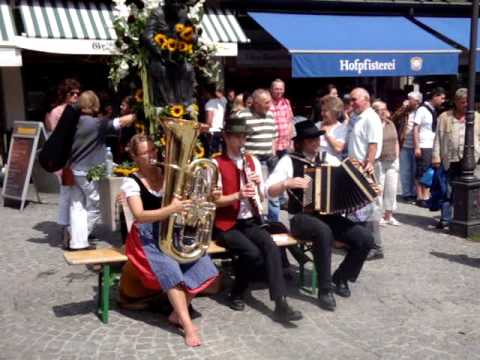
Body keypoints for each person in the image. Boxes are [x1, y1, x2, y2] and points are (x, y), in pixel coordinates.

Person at [120, 134, 218, 347]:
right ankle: (187, 325)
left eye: (153, 151)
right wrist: (170, 209)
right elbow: (139, 215)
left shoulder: (170, 174)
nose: (151, 156)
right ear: (135, 157)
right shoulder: (131, 181)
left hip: (173, 230)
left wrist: (211, 194)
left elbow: (191, 200)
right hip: (145, 235)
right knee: (170, 270)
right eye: (145, 153)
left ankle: (176, 313)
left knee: (203, 263)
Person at [266, 120, 374, 311]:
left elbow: (349, 175)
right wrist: (286, 183)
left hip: (327, 215)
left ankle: (340, 277)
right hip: (300, 217)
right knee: (323, 232)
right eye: (311, 140)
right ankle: (325, 290)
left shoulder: (327, 158)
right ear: (300, 142)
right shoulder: (289, 161)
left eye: (317, 138)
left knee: (365, 238)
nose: (316, 143)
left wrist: (365, 173)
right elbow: (269, 190)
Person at [212, 117, 302, 323]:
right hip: (226, 224)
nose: (242, 141)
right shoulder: (216, 163)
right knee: (252, 254)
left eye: (244, 136)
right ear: (226, 137)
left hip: (250, 220)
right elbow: (213, 201)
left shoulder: (251, 161)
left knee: (270, 246)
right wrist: (238, 195)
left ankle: (281, 304)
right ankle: (237, 292)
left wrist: (258, 186)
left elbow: (262, 197)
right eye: (238, 136)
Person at [65, 91, 135, 250]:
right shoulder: (97, 123)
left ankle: (74, 236)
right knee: (95, 204)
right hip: (89, 171)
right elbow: (118, 123)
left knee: (77, 205)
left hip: (74, 169)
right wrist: (135, 115)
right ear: (95, 104)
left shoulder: (72, 121)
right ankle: (78, 238)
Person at [432, 88, 480, 229]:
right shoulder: (445, 117)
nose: (465, 105)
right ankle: (446, 218)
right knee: (447, 190)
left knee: (467, 190)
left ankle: (463, 217)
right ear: (456, 102)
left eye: (467, 102)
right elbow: (438, 139)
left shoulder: (476, 117)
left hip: (470, 159)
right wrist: (436, 156)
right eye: (462, 102)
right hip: (450, 158)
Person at [347, 87, 383, 259]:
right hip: (355, 167)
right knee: (359, 207)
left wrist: (369, 164)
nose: (351, 103)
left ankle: (375, 247)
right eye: (351, 100)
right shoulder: (358, 117)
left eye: (354, 100)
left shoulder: (371, 118)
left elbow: (373, 144)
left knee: (369, 208)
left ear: (366, 99)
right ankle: (361, 243)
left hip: (365, 167)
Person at [44, 78, 81, 244]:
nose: (75, 96)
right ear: (65, 95)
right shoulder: (57, 112)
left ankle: (75, 227)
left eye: (78, 93)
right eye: (72, 93)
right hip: (65, 160)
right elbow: (55, 138)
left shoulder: (78, 110)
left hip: (77, 158)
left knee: (76, 194)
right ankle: (67, 227)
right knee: (67, 193)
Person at [413, 87, 446, 208]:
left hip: (432, 144)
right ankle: (420, 197)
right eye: (441, 98)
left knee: (429, 171)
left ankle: (426, 195)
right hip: (424, 144)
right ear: (435, 96)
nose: (443, 101)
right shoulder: (422, 109)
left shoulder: (433, 110)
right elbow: (415, 128)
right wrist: (417, 147)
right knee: (422, 170)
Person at [269, 79, 294, 221]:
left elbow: (290, 122)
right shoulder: (268, 104)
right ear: (271, 89)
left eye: (281, 89)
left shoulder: (286, 103)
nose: (279, 91)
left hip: (285, 145)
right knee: (274, 179)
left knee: (287, 176)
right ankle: (274, 218)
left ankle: (284, 202)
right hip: (273, 146)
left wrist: (290, 141)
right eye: (276, 89)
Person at [372, 101, 400, 226]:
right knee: (379, 188)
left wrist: (397, 155)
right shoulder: (373, 125)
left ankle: (389, 214)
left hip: (392, 160)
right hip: (379, 161)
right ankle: (378, 215)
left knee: (392, 188)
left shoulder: (390, 123)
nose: (384, 112)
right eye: (380, 110)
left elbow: (396, 141)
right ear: (374, 112)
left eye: (385, 109)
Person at [391, 91, 422, 202]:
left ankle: (414, 193)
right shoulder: (405, 111)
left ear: (417, 101)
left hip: (418, 145)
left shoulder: (421, 111)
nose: (407, 100)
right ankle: (406, 193)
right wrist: (403, 108)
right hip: (404, 144)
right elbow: (393, 119)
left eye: (410, 99)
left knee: (415, 170)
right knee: (405, 170)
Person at [318, 95, 347, 165]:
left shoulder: (341, 128)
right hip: (317, 166)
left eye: (325, 111)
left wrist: (326, 134)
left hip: (334, 167)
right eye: (322, 110)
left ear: (334, 112)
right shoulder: (317, 125)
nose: (322, 114)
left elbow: (338, 149)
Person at [204, 85, 227, 155]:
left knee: (212, 153)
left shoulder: (209, 104)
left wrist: (204, 129)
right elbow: (222, 96)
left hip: (212, 131)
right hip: (220, 130)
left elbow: (209, 121)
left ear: (208, 93)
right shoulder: (223, 101)